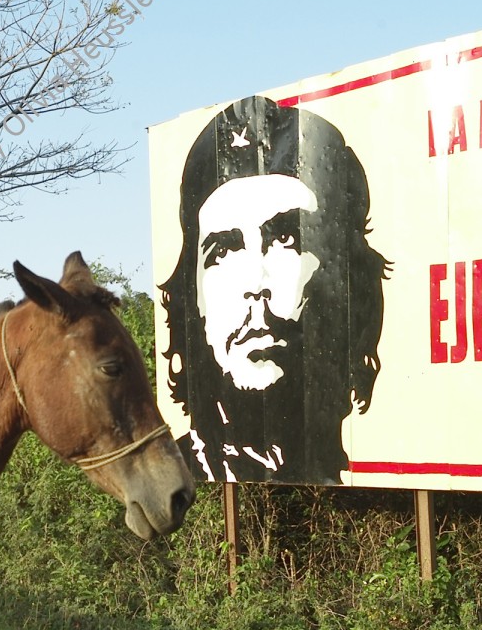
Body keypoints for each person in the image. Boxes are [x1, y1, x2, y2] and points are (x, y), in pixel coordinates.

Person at [157, 95, 390, 484]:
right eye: (224, 249)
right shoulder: (170, 482)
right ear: (190, 295)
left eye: (287, 236)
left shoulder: (379, 469)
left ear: (351, 279)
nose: (255, 283)